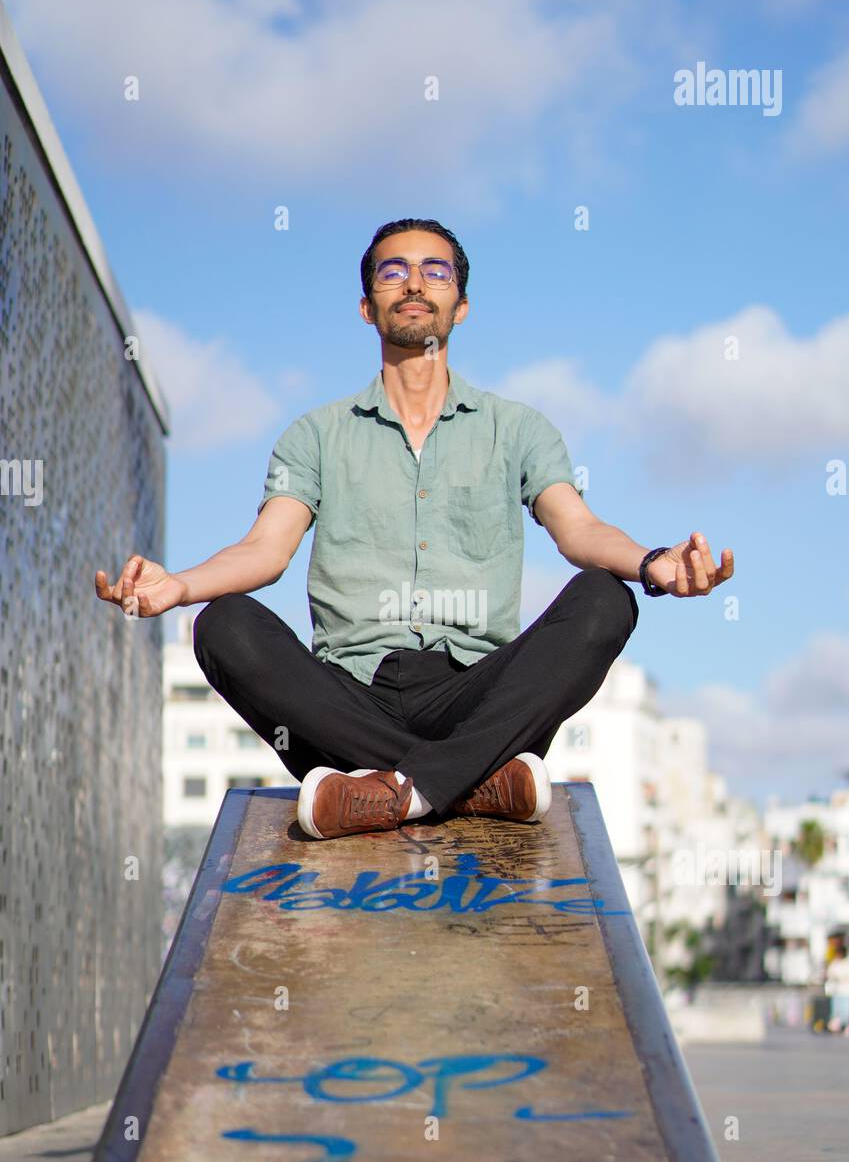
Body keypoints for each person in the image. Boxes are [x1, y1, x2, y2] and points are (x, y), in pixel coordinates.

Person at [96, 217, 734, 840]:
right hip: (350, 700)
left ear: (460, 306)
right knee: (223, 622)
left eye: (436, 270)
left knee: (605, 597)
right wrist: (180, 586)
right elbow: (266, 549)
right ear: (367, 307)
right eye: (392, 271)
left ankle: (398, 791)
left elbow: (578, 530)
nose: (414, 283)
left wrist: (652, 563)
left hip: (479, 696)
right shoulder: (315, 435)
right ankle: (473, 782)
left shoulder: (518, 429)